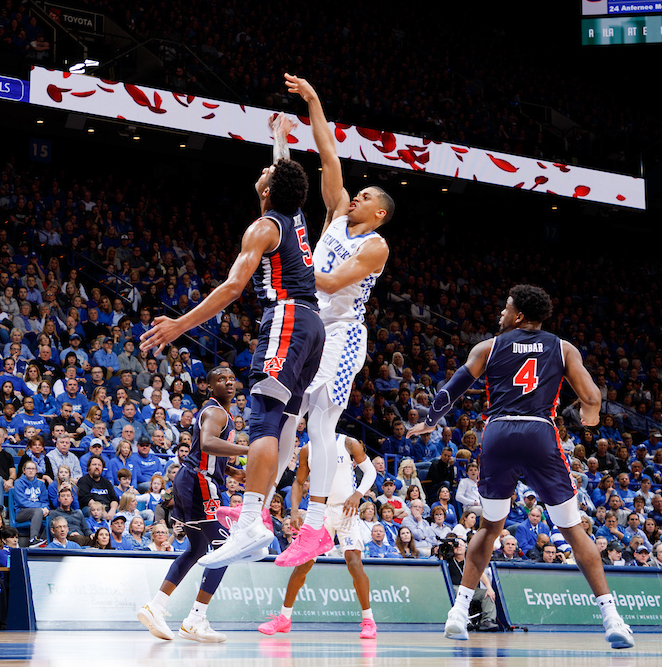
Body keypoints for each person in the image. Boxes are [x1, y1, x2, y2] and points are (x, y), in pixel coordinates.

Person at [409, 285, 633, 649]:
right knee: (574, 530)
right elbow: (592, 398)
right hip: (539, 434)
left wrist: (432, 421)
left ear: (518, 316)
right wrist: (589, 419)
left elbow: (449, 392)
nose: (500, 314)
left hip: (498, 433)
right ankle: (613, 618)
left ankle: (458, 611)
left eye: (505, 309)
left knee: (490, 526)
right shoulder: (562, 348)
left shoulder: (488, 347)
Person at [142, 133, 325, 569]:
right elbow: (285, 175)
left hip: (287, 319)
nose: (262, 172)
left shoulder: (264, 227)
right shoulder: (294, 215)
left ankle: (248, 522)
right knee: (279, 424)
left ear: (267, 190)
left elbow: (232, 287)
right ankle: (256, 518)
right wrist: (280, 140)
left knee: (261, 417)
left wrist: (179, 325)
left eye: (265, 173)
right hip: (312, 326)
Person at [275, 73, 393, 568]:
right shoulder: (336, 217)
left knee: (319, 421)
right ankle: (258, 509)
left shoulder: (375, 245)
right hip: (310, 328)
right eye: (357, 193)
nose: (357, 197)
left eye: (366, 196)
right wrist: (315, 102)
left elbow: (328, 282)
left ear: (381, 214)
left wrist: (293, 260)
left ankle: (317, 525)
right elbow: (328, 155)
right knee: (285, 414)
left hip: (341, 336)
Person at [136, 367, 248, 643]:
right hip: (200, 482)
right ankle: (196, 618)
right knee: (225, 549)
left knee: (197, 548)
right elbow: (208, 443)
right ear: (210, 387)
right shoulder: (215, 412)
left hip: (194, 480)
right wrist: (249, 450)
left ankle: (157, 606)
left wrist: (231, 470)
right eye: (221, 379)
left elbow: (206, 450)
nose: (228, 382)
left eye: (231, 378)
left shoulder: (222, 412)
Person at [259, 434, 379, 639]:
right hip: (319, 511)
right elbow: (298, 482)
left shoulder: (348, 442)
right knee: (303, 564)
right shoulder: (307, 449)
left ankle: (368, 620)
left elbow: (370, 471)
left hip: (346, 510)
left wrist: (358, 493)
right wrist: (294, 510)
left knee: (353, 562)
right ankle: (284, 618)